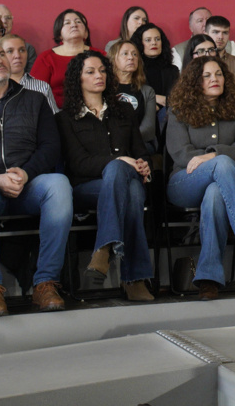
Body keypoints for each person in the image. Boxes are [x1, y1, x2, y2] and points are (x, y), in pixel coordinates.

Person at [0, 38, 71, 316]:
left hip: (28, 184)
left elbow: (51, 147)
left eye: (1, 54)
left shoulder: (35, 100)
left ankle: (45, 283)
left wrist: (25, 172)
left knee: (59, 185)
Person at [166, 56, 235, 300]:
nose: (215, 79)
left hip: (227, 181)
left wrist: (216, 159)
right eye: (206, 75)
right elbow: (180, 152)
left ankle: (208, 279)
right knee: (224, 164)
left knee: (215, 194)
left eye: (218, 74)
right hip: (185, 181)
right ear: (195, 81)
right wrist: (218, 161)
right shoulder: (178, 110)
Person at [56, 52, 154, 301]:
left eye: (102, 70)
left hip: (131, 181)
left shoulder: (123, 110)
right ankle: (134, 278)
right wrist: (118, 160)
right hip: (87, 188)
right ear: (77, 79)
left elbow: (141, 151)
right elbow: (78, 164)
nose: (98, 76)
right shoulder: (65, 118)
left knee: (130, 188)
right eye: (90, 72)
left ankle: (104, 248)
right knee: (123, 181)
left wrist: (144, 164)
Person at [31, 9, 102, 109]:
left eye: (78, 22)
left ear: (86, 33)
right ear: (59, 34)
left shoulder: (100, 55)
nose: (74, 25)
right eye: (67, 23)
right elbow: (35, 92)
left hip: (95, 110)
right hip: (56, 112)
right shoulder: (46, 58)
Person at [110, 41, 157, 147]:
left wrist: (124, 141)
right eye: (125, 54)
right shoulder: (105, 89)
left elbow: (148, 129)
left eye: (134, 54)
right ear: (113, 59)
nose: (131, 57)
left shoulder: (147, 91)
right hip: (111, 144)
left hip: (139, 144)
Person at [2, 34, 58, 113]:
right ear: (0, 56)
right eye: (10, 51)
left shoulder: (42, 87)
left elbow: (53, 118)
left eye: (22, 50)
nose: (17, 56)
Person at [131, 23, 179, 111]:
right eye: (148, 40)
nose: (154, 43)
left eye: (157, 39)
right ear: (139, 44)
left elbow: (177, 98)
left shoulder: (173, 70)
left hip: (168, 117)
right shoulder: (133, 69)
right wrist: (154, 98)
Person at [205, 15, 235, 100]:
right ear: (206, 34)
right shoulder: (197, 62)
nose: (221, 37)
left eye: (225, 32)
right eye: (215, 32)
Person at [0, 4, 36, 73]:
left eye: (8, 18)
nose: (4, 21)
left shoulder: (27, 48)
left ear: (12, 22)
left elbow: (31, 77)